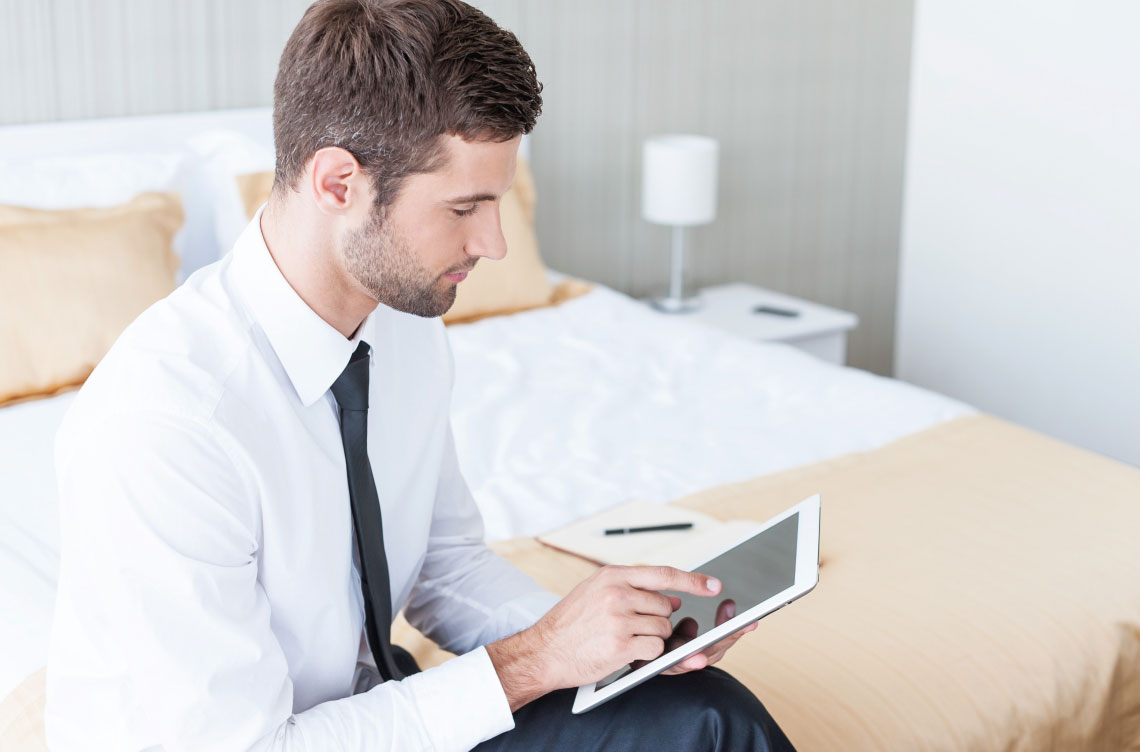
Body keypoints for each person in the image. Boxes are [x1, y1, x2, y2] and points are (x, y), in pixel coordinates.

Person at [45, 1, 796, 750]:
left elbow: (443, 562)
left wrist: (600, 641)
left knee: (707, 713)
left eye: (497, 203)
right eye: (465, 207)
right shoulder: (168, 426)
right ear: (338, 183)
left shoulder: (404, 324)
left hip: (374, 713)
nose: (494, 243)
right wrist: (532, 662)